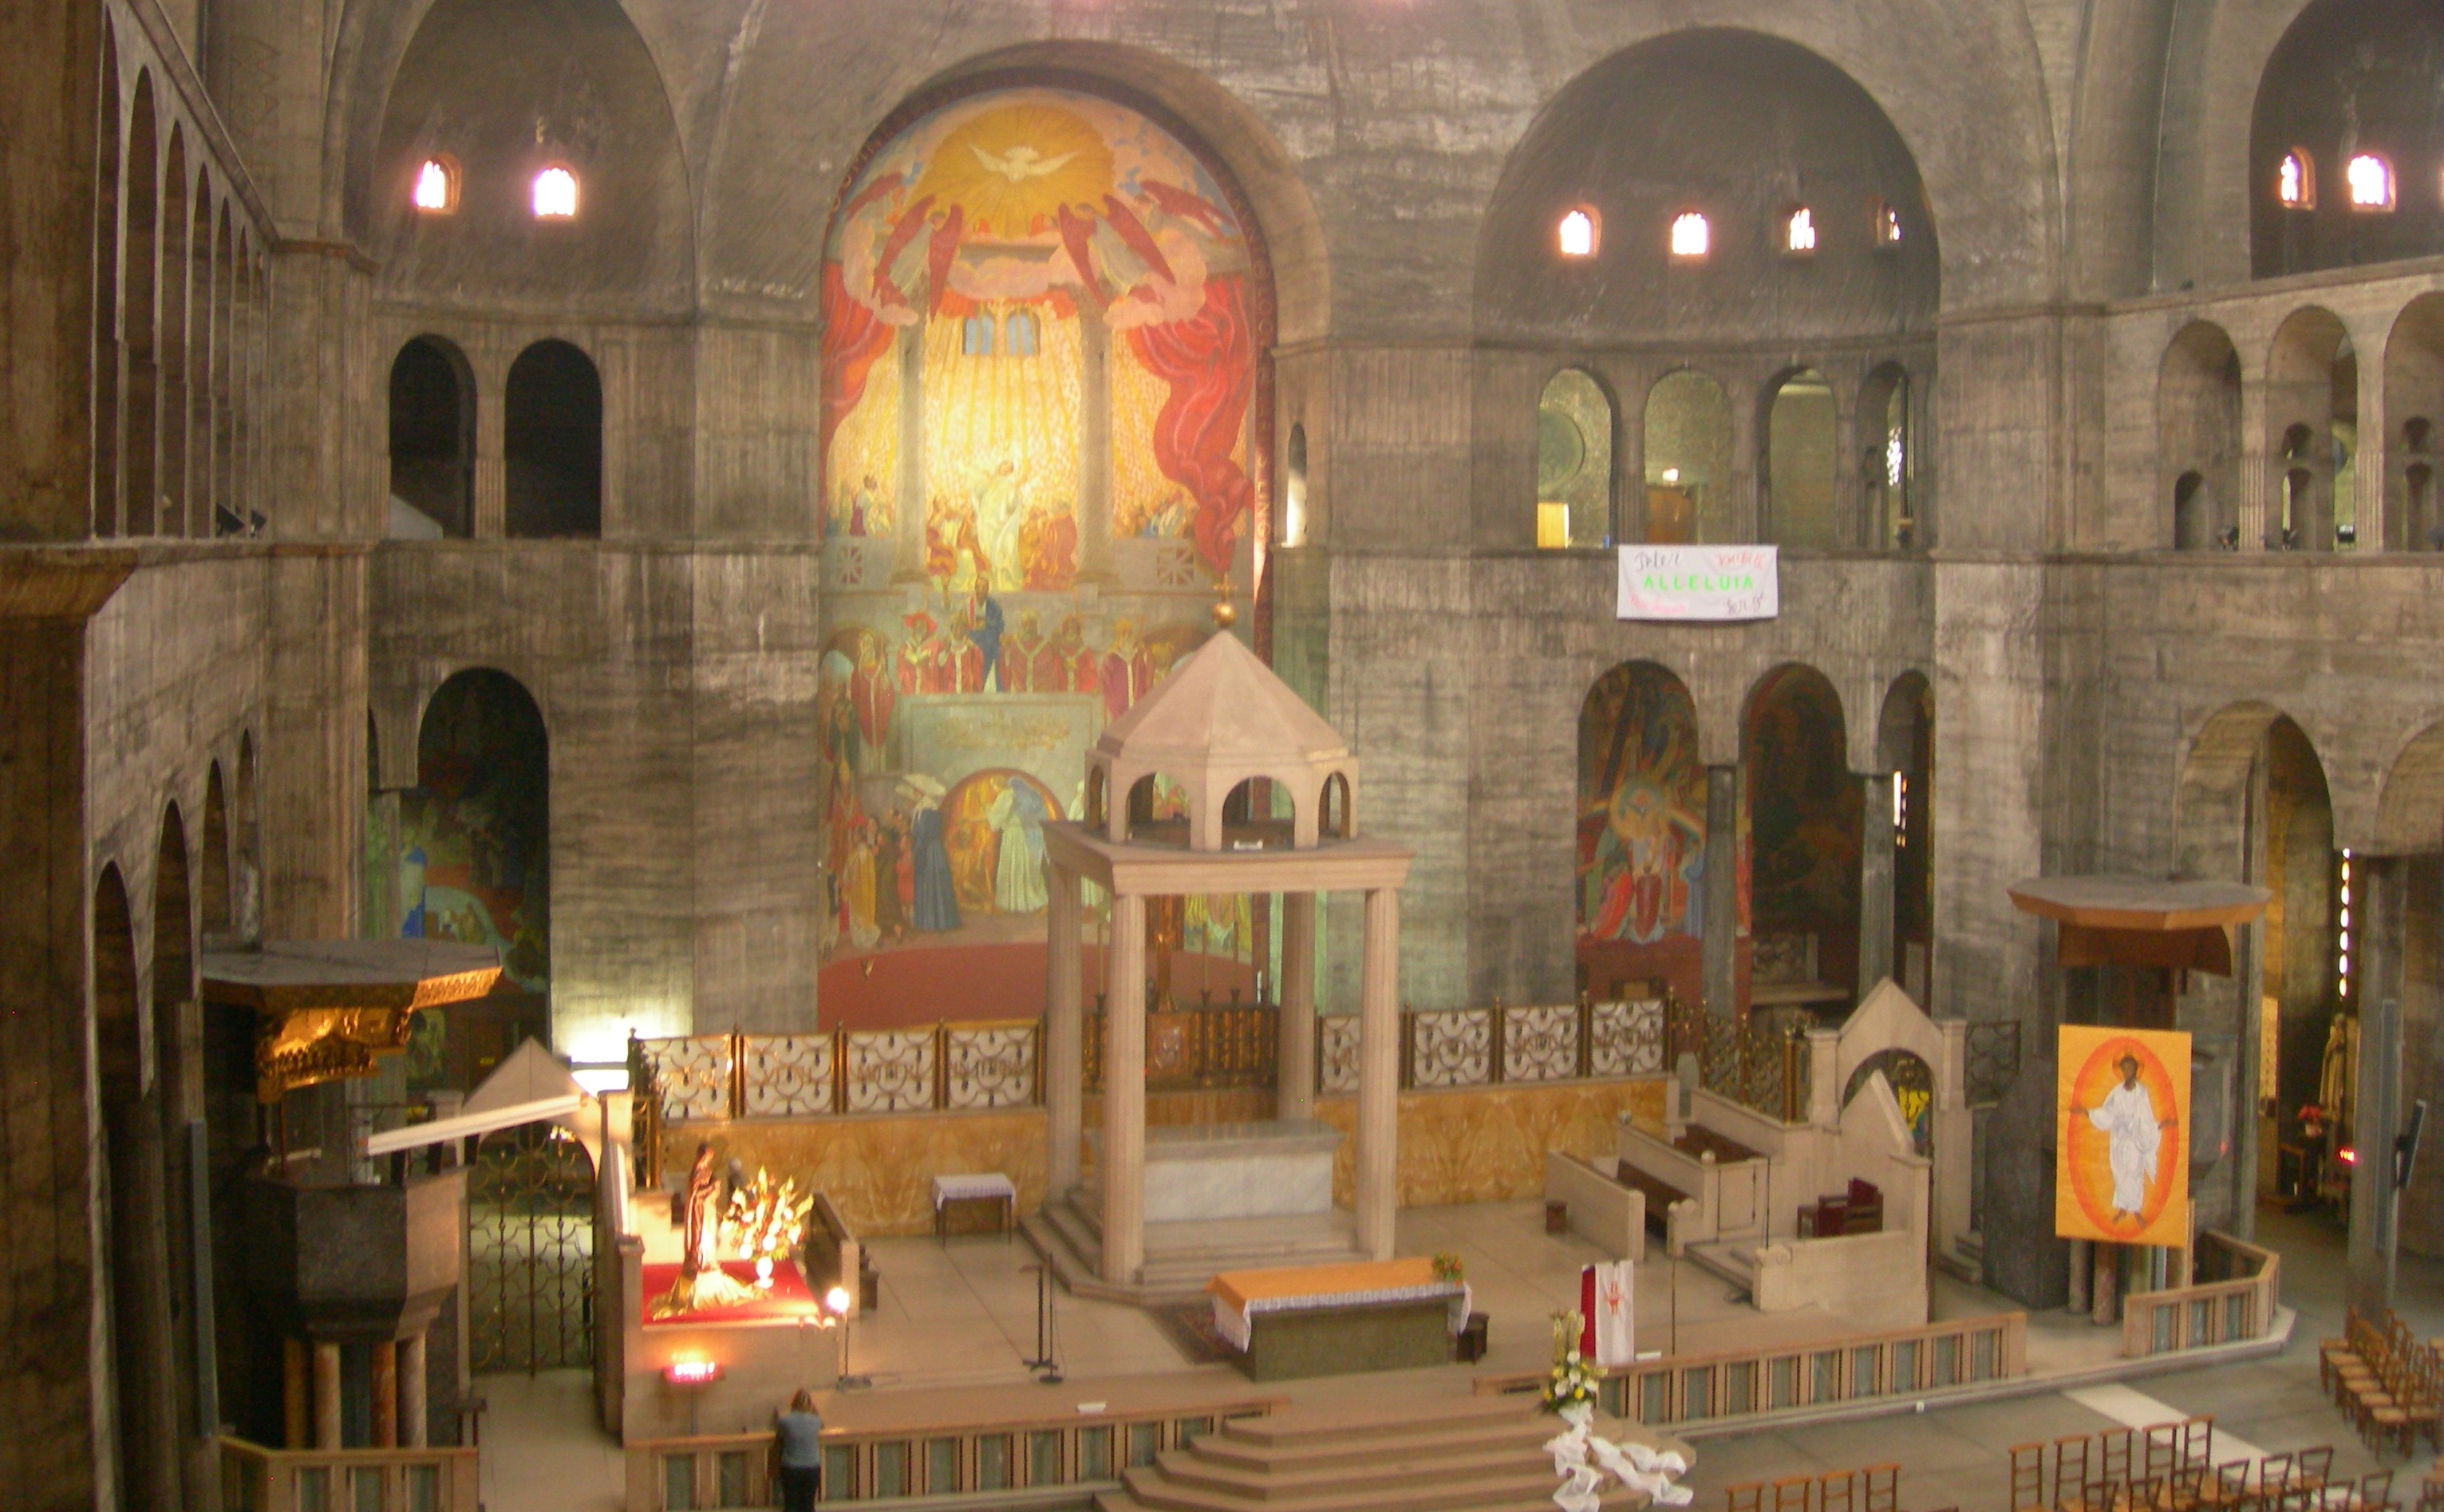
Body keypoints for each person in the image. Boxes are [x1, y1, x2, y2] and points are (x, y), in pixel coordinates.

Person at [2071, 1053, 2177, 1225]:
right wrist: (2087, 1113)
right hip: (2119, 1140)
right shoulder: (2117, 1092)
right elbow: (2107, 1113)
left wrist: (2160, 1125)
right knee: (2119, 1173)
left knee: (2134, 1173)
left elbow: (2145, 1120)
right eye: (2124, 1068)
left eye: (2130, 1068)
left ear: (2136, 1070)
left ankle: (2136, 1211)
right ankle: (2122, 1209)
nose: (2127, 1071)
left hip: (2135, 1140)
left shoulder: (2142, 1093)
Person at [774, 1388, 823, 1512]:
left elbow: (779, 1438)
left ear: (793, 1403)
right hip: (812, 1467)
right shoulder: (816, 1421)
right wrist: (814, 1411)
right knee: (808, 1506)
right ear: (810, 1404)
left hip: (791, 1468)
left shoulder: (784, 1421)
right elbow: (822, 1425)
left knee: (791, 1505)